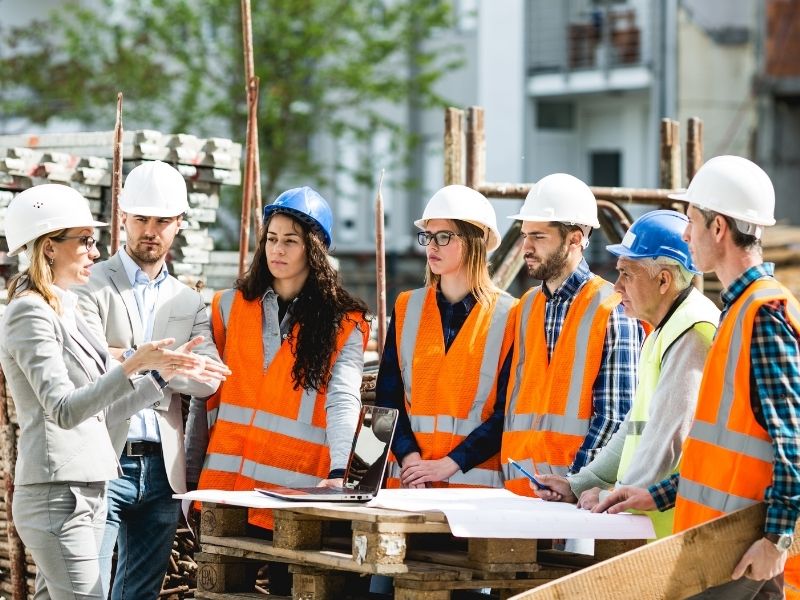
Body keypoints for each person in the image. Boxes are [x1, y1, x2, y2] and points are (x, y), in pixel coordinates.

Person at [594, 156, 800, 599]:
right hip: (718, 544)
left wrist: (776, 540)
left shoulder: (764, 315)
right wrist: (657, 495)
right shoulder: (738, 312)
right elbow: (715, 450)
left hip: (744, 549)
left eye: (691, 221)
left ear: (719, 227)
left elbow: (793, 439)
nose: (686, 235)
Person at [0, 184, 211, 600]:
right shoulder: (29, 312)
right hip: (59, 494)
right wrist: (133, 364)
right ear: (48, 247)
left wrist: (160, 376)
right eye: (84, 240)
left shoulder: (66, 310)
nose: (95, 253)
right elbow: (63, 410)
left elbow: (103, 407)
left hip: (87, 489)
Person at [74, 160, 230, 600]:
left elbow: (207, 381)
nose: (150, 230)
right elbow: (86, 368)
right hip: (103, 457)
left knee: (139, 593)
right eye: (141, 219)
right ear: (123, 217)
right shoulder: (89, 285)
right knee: (87, 589)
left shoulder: (188, 300)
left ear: (179, 224)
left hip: (162, 468)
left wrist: (129, 359)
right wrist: (165, 364)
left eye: (162, 221)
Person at [533, 210, 719, 539]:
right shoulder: (665, 329)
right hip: (655, 527)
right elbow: (634, 429)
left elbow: (667, 440)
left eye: (626, 274)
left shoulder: (692, 331)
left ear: (663, 280)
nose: (616, 287)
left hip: (678, 535)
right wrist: (580, 484)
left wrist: (614, 495)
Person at [198, 186, 369, 530]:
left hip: (294, 495)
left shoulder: (344, 323)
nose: (277, 249)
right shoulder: (228, 306)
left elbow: (343, 399)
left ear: (315, 249)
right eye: (271, 239)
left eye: (290, 241)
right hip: (224, 493)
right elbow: (204, 397)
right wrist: (189, 476)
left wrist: (340, 470)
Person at [500, 173, 644, 495]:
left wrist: (574, 483)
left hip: (578, 499)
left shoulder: (612, 309)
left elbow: (615, 418)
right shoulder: (525, 307)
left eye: (538, 236)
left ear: (575, 239)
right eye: (525, 235)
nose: (526, 248)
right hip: (519, 492)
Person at [375, 185, 516, 488]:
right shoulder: (407, 307)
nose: (432, 246)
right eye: (428, 236)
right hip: (409, 487)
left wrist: (448, 465)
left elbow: (507, 413)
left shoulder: (510, 316)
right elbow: (387, 398)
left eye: (444, 236)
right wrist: (409, 457)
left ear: (475, 241)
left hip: (473, 494)